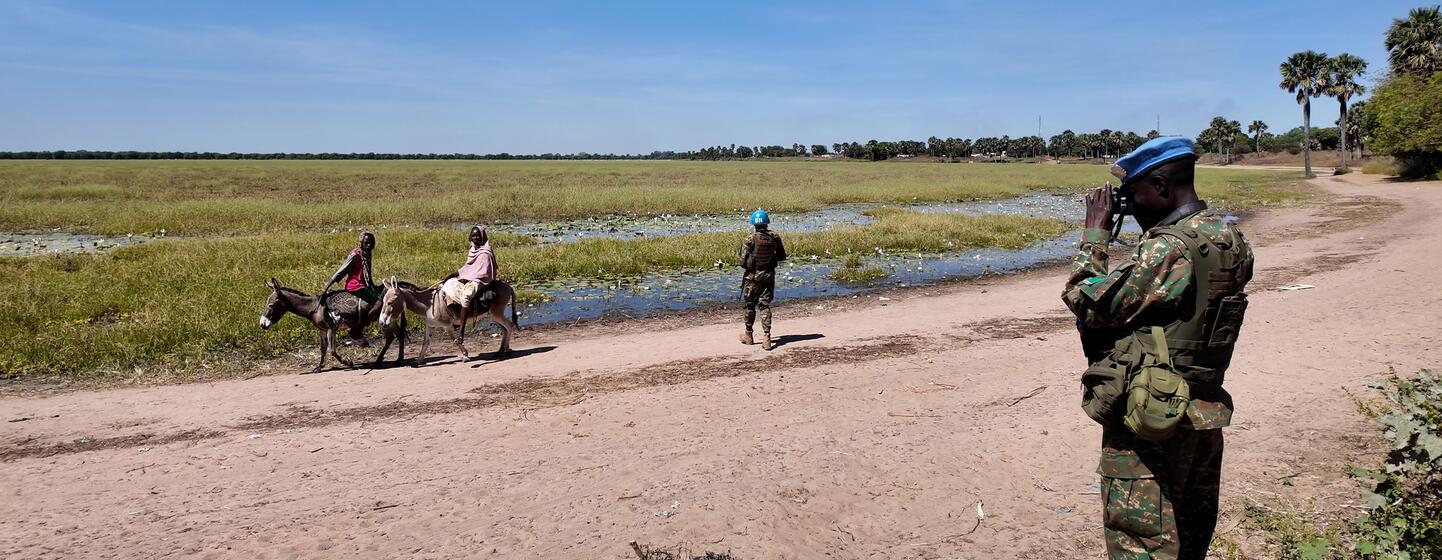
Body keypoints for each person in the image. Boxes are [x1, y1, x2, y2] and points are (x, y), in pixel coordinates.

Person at [1062, 137, 1254, 560]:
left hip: (1151, 416)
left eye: (1135, 194)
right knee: (1189, 538)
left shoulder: (1168, 248)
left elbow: (1089, 301)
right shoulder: (1228, 236)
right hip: (1202, 413)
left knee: (1141, 544)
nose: (1130, 207)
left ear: (1163, 185)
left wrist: (1095, 234)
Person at [738, 209, 787, 350]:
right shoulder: (775, 237)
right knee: (764, 305)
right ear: (766, 222)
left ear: (754, 223)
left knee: (750, 305)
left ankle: (749, 335)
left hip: (753, 277)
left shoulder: (749, 239)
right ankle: (767, 337)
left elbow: (742, 262)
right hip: (769, 275)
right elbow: (782, 257)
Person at [322, 231, 382, 343]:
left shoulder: (367, 254)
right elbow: (340, 272)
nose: (369, 245)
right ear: (360, 243)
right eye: (366, 243)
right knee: (379, 303)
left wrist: (372, 285)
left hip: (364, 285)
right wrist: (325, 288)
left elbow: (367, 274)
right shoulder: (355, 256)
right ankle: (357, 330)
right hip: (355, 286)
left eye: (371, 243)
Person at [440, 225, 497, 313]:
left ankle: (462, 326)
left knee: (466, 296)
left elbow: (483, 273)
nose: (475, 238)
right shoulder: (472, 250)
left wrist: (467, 278)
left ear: (482, 236)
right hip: (469, 278)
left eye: (478, 235)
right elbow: (468, 268)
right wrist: (450, 275)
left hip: (479, 281)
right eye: (473, 235)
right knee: (448, 283)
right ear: (470, 237)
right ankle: (452, 310)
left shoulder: (486, 252)